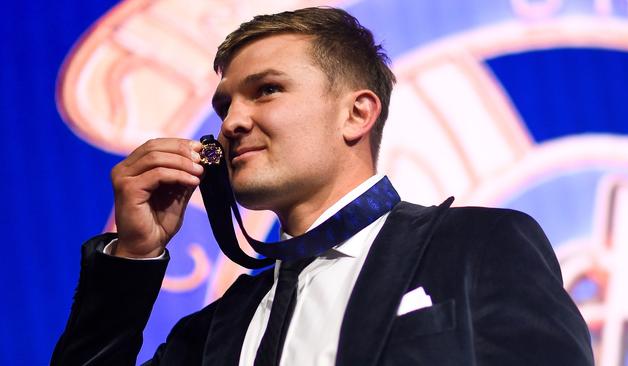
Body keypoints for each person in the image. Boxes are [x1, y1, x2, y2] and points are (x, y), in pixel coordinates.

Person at [51, 7, 594, 366]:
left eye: (265, 91)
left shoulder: (478, 246)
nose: (232, 122)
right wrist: (132, 258)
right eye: (224, 106)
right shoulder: (216, 329)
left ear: (357, 114)